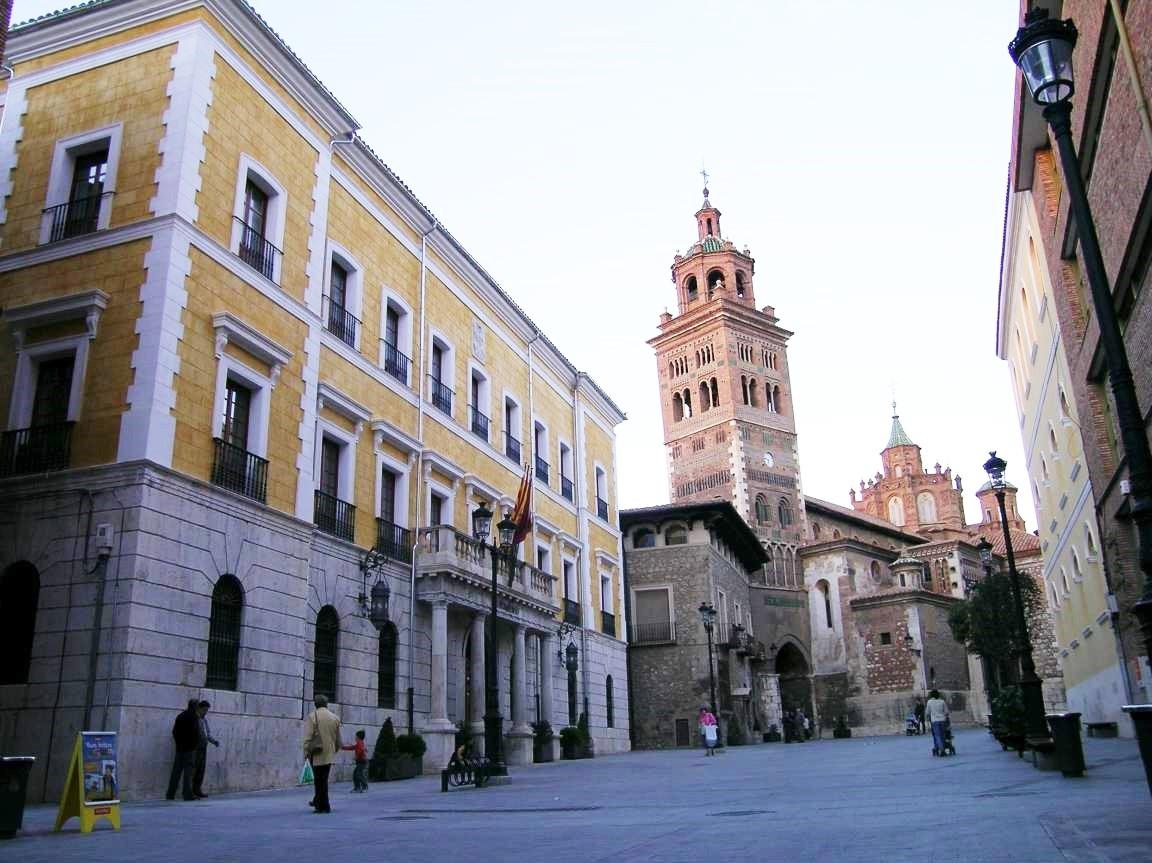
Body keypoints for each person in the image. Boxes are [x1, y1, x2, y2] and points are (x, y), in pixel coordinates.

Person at [303, 695, 342, 813]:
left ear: (315, 704)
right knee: (323, 779)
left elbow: (308, 737)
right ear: (326, 704)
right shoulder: (335, 718)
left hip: (316, 753)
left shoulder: (312, 716)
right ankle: (320, 802)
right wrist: (334, 750)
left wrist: (306, 751)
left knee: (319, 781)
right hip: (329, 753)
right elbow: (339, 740)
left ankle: (323, 805)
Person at [166, 698, 201, 801]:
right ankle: (187, 794)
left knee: (176, 772)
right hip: (190, 749)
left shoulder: (180, 716)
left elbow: (174, 732)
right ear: (195, 706)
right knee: (188, 773)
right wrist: (195, 745)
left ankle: (170, 793)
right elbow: (196, 733)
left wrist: (178, 743)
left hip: (180, 748)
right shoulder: (194, 717)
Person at [193, 700, 221, 798]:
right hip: (195, 748)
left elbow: (207, 734)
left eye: (207, 710)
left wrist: (214, 741)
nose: (205, 712)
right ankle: (192, 790)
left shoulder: (204, 720)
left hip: (203, 747)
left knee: (201, 770)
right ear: (199, 709)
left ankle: (197, 789)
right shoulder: (195, 719)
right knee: (194, 769)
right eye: (204, 710)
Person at [925, 689, 950, 754]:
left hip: (935, 721)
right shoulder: (942, 701)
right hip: (943, 720)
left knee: (937, 735)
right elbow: (946, 712)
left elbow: (927, 712)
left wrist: (927, 718)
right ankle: (944, 747)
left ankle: (941, 749)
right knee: (943, 735)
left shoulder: (929, 702)